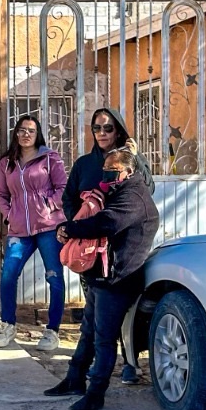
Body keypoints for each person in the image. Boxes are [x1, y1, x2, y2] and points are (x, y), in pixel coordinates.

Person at [47, 147, 160, 410]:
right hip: (103, 275)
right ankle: (75, 379)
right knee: (88, 332)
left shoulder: (133, 196)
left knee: (104, 339)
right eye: (105, 170)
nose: (106, 176)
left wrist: (68, 228)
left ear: (129, 172)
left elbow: (106, 223)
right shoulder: (119, 191)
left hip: (119, 280)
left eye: (113, 171)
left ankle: (96, 393)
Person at [65, 107, 154, 383]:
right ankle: (81, 375)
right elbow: (69, 199)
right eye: (97, 128)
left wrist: (136, 157)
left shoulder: (131, 164)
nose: (102, 133)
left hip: (120, 256)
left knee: (113, 316)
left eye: (108, 128)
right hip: (89, 252)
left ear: (118, 130)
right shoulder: (84, 164)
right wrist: (78, 226)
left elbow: (144, 191)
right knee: (95, 321)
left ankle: (128, 364)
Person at [0, 114, 68, 352]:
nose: (26, 134)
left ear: (38, 135)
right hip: (19, 229)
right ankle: (8, 325)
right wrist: (8, 215)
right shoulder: (7, 163)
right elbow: (1, 194)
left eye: (31, 131)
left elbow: (63, 188)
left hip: (48, 226)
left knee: (54, 277)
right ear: (16, 133)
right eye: (22, 130)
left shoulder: (49, 158)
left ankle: (52, 331)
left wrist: (49, 206)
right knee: (8, 275)